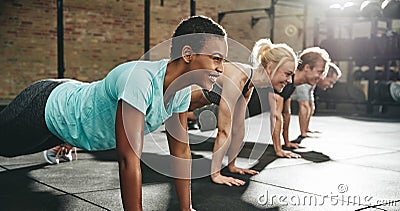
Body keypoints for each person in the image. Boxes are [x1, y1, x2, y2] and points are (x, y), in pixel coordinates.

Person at [0, 15, 228, 211]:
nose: (221, 68)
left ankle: (64, 140)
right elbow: (128, 159)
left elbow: (181, 152)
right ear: (188, 54)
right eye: (216, 59)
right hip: (45, 105)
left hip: (67, 123)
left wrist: (186, 208)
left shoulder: (180, 91)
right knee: (5, 148)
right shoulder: (140, 80)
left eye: (223, 61)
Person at [188, 38, 298, 186]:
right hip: (171, 97)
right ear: (271, 67)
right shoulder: (238, 78)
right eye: (287, 74)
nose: (290, 80)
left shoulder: (248, 84)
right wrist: (216, 174)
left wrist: (232, 166)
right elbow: (223, 131)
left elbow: (238, 129)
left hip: (190, 104)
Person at [272, 47, 330, 158]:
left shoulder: (292, 83)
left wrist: (287, 143)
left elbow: (286, 114)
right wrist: (278, 150)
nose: (321, 77)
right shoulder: (285, 80)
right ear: (307, 67)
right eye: (319, 72)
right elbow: (276, 117)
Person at [291, 62, 342, 143]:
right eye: (330, 82)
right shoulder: (305, 81)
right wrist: (303, 134)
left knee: (310, 106)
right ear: (323, 76)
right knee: (305, 105)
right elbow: (304, 105)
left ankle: (306, 129)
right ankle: (303, 132)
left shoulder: (312, 83)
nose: (331, 86)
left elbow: (310, 106)